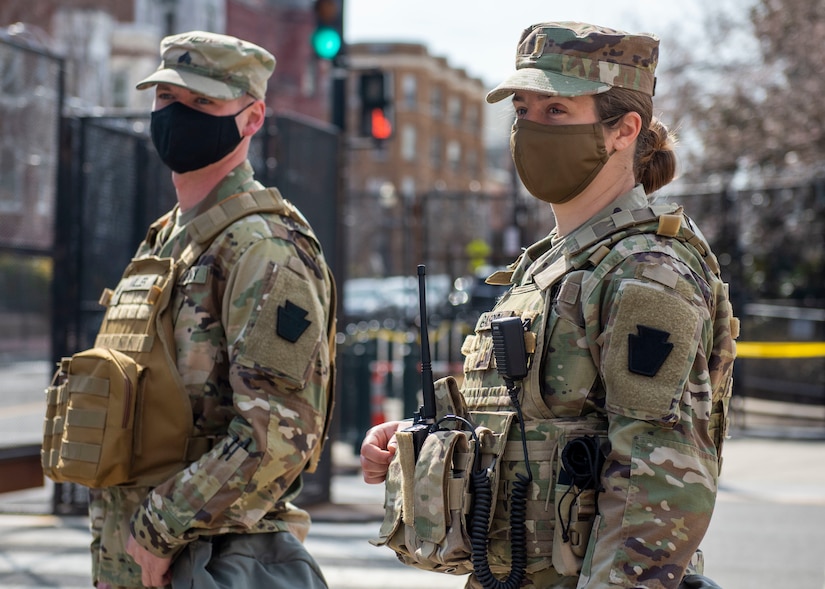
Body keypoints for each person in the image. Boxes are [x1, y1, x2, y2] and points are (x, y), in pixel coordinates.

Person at [361, 21, 736, 589]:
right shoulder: (552, 265)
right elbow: (532, 419)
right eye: (522, 110)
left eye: (556, 110)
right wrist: (423, 438)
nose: (531, 129)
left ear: (623, 130)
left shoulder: (645, 272)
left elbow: (658, 485)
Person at [87, 31, 336, 588]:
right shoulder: (170, 238)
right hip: (131, 559)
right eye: (167, 99)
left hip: (208, 563)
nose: (179, 116)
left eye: (203, 103)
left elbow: (277, 437)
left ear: (252, 118)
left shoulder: (263, 249)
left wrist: (155, 532)